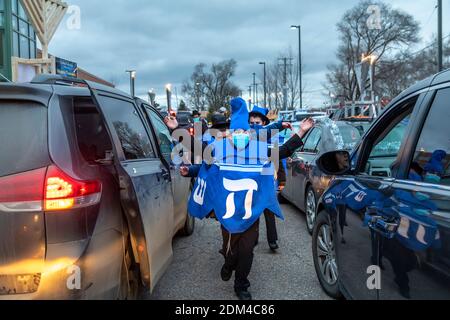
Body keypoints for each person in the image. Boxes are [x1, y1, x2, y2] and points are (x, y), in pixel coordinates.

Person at [181, 98, 314, 300]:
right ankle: (228, 263)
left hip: (251, 212)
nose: (240, 135)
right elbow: (200, 156)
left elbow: (284, 151)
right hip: (228, 211)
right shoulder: (220, 149)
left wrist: (302, 131)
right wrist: (176, 133)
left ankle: (241, 285)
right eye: (236, 132)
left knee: (247, 251)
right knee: (231, 250)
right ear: (231, 134)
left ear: (249, 134)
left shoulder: (259, 150)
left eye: (244, 132)